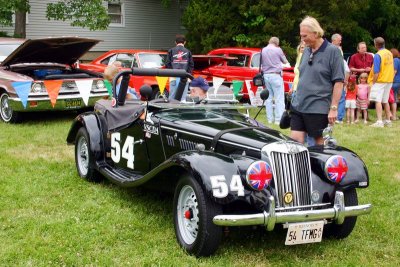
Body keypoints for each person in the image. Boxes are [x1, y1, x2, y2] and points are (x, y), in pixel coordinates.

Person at [290, 16, 344, 145]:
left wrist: (334, 108)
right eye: (301, 36)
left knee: (319, 147)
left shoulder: (333, 51)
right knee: (294, 144)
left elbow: (339, 82)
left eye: (305, 36)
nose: (302, 40)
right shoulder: (306, 50)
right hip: (299, 105)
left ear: (315, 33)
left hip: (318, 108)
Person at [261, 36, 289, 124]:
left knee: (268, 99)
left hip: (266, 76)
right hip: (276, 75)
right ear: (277, 43)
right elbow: (285, 61)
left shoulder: (263, 50)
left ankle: (270, 119)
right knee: (279, 98)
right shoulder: (278, 50)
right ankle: (278, 120)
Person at [368, 37, 394, 127]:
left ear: (376, 45)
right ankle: (388, 120)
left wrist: (373, 82)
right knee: (385, 100)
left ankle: (379, 121)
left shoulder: (378, 55)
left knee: (377, 100)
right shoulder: (389, 53)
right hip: (389, 79)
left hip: (380, 80)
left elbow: (376, 71)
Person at [166, 34, 194, 101]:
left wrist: (172, 72)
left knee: (172, 99)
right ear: (185, 42)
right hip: (184, 78)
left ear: (175, 42)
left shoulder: (171, 51)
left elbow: (167, 63)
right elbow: (191, 65)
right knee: (183, 99)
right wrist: (187, 74)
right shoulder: (188, 51)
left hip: (173, 78)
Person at [390, 48, 400, 121]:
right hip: (397, 81)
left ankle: (393, 115)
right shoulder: (398, 60)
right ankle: (393, 115)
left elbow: (394, 71)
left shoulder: (395, 60)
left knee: (392, 99)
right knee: (394, 98)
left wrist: (390, 80)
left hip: (395, 81)